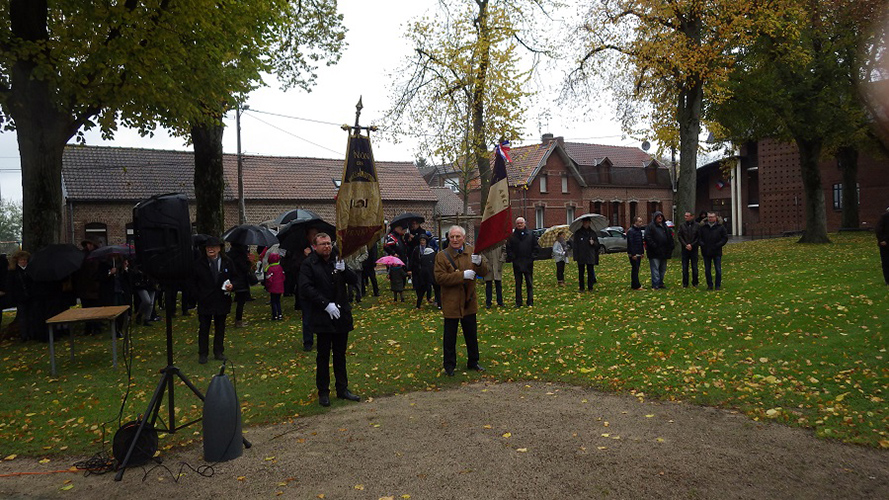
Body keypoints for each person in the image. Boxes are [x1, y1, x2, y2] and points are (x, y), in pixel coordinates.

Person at [298, 233, 361, 407]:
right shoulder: (309, 264)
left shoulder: (337, 259)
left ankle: (342, 388)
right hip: (322, 315)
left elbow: (353, 280)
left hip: (341, 314)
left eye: (328, 243)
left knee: (340, 354)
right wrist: (325, 304)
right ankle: (323, 391)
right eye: (323, 244)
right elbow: (306, 288)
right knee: (323, 355)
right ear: (315, 247)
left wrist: (345, 269)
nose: (327, 246)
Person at [434, 225, 488, 376]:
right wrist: (462, 276)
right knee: (450, 336)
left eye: (458, 236)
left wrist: (479, 263)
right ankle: (449, 365)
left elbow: (484, 272)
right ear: (448, 238)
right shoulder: (442, 256)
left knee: (471, 334)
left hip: (469, 300)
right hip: (451, 302)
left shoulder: (472, 252)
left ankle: (473, 361)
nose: (455, 239)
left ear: (464, 238)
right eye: (452, 237)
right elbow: (440, 278)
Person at [193, 236, 235, 364]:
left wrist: (232, 286)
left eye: (213, 247)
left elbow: (235, 277)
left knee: (220, 326)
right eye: (208, 247)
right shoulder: (199, 263)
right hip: (205, 300)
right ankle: (203, 353)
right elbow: (193, 282)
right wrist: (198, 296)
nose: (210, 249)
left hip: (222, 299)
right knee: (204, 327)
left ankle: (218, 351)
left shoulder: (227, 262)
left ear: (219, 248)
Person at [505, 217, 539, 307]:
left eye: (521, 223)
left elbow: (536, 247)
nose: (520, 225)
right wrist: (512, 257)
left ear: (525, 223)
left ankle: (530, 301)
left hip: (528, 262)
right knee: (518, 284)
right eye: (518, 223)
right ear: (516, 224)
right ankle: (518, 302)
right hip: (517, 263)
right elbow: (508, 248)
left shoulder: (531, 234)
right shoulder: (512, 236)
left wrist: (532, 257)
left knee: (529, 283)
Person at [644, 211, 674, 289]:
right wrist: (654, 246)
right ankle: (655, 284)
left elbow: (670, 237)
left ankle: (660, 282)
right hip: (654, 251)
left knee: (662, 269)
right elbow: (647, 237)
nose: (660, 218)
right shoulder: (650, 227)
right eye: (658, 216)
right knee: (655, 268)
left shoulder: (665, 226)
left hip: (664, 251)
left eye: (661, 216)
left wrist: (670, 246)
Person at [699, 211, 729, 290]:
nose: (710, 219)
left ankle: (717, 285)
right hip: (706, 251)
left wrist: (718, 245)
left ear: (715, 217)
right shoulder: (703, 227)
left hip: (717, 251)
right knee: (707, 270)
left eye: (712, 217)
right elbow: (699, 237)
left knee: (718, 269)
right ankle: (709, 285)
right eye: (709, 217)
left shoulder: (720, 227)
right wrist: (702, 244)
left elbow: (725, 238)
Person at [228, 243, 254, 328]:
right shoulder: (241, 255)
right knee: (241, 302)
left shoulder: (229, 255)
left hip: (231, 279)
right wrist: (249, 262)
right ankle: (238, 320)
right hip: (241, 280)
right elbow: (245, 268)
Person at [572, 218, 600, 291]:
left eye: (587, 222)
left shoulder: (592, 233)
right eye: (584, 222)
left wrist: (593, 243)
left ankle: (590, 287)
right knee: (581, 272)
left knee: (590, 271)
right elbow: (575, 245)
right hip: (581, 255)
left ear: (589, 223)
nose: (586, 224)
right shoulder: (578, 233)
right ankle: (582, 287)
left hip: (590, 255)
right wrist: (576, 256)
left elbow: (597, 245)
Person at [410, 234, 436, 309]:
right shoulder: (416, 249)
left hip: (427, 270)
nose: (422, 242)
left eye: (423, 240)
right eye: (421, 240)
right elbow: (413, 259)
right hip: (418, 270)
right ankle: (419, 301)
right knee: (419, 285)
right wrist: (411, 268)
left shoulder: (430, 249)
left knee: (428, 285)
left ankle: (429, 297)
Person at [678, 211, 701, 288]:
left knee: (694, 267)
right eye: (685, 216)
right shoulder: (682, 226)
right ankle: (685, 283)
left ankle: (695, 282)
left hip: (694, 249)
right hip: (685, 249)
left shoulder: (697, 226)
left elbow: (698, 237)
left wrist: (692, 245)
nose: (686, 217)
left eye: (687, 216)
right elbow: (680, 236)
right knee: (685, 267)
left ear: (692, 216)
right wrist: (685, 245)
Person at [481, 244, 504, 308]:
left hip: (497, 264)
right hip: (488, 265)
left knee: (498, 284)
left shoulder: (500, 241)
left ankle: (500, 301)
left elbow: (504, 251)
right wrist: (486, 262)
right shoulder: (485, 241)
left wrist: (501, 260)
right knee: (488, 284)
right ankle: (488, 302)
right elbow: (481, 252)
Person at [626, 216, 645, 290]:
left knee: (636, 269)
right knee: (635, 268)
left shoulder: (638, 231)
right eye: (639, 221)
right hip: (634, 253)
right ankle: (636, 285)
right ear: (635, 222)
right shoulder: (631, 231)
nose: (641, 223)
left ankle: (634, 284)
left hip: (638, 252)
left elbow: (640, 242)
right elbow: (631, 243)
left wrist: (642, 252)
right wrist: (633, 254)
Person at [264, 253, 285, 320]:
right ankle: (280, 314)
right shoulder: (280, 267)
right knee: (278, 301)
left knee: (273, 301)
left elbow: (269, 279)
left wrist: (268, 286)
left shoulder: (270, 268)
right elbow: (283, 277)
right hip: (280, 287)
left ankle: (275, 315)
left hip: (273, 287)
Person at [878, 207, 889, 285]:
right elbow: (878, 229)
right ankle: (887, 279)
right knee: (886, 262)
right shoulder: (884, 217)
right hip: (885, 243)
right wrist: (881, 240)